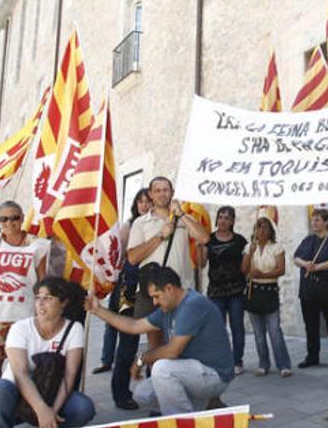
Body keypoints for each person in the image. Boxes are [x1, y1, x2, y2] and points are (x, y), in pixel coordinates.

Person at [85, 266, 234, 415]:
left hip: (216, 375)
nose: (154, 302)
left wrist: (142, 358)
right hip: (193, 372)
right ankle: (204, 407)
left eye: (156, 296)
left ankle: (183, 422)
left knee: (162, 369)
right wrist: (98, 310)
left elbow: (172, 351)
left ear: (169, 289)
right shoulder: (168, 307)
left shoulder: (192, 304)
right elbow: (134, 325)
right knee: (142, 394)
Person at [0, 277, 94, 428]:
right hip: (17, 392)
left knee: (84, 408)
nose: (40, 303)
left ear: (64, 302)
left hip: (51, 391)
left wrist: (52, 412)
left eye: (48, 298)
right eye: (37, 298)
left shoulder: (74, 329)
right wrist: (41, 409)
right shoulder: (20, 328)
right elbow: (20, 373)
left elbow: (69, 376)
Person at [0, 201, 50, 391]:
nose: (9, 222)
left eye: (14, 217)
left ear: (22, 218)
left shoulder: (37, 244)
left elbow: (42, 282)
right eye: (3, 219)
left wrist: (45, 312)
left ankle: (20, 407)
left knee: (22, 365)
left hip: (24, 314)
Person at [126, 176, 210, 351]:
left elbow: (203, 237)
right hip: (153, 290)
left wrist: (182, 215)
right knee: (155, 343)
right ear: (151, 194)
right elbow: (133, 257)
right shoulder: (141, 223)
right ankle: (156, 376)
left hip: (181, 290)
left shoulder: (184, 219)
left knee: (182, 343)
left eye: (166, 190)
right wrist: (160, 236)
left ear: (172, 193)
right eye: (157, 190)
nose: (162, 194)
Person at [92, 187, 151, 411]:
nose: (144, 205)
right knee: (128, 339)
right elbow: (120, 258)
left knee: (154, 335)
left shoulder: (156, 224)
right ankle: (121, 393)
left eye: (148, 202)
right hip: (128, 287)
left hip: (150, 285)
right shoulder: (129, 226)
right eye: (141, 201)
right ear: (135, 204)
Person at [293, 210, 328, 370]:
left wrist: (317, 267)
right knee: (310, 325)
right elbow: (296, 258)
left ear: (326, 222)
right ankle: (312, 356)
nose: (314, 222)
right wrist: (306, 264)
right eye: (313, 220)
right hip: (308, 289)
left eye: (317, 220)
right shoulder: (308, 239)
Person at [198, 206, 248, 376]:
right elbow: (202, 264)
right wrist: (199, 248)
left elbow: (245, 267)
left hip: (236, 290)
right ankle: (220, 359)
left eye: (227, 218)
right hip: (216, 291)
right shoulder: (208, 239)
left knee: (237, 327)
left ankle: (237, 360)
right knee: (217, 328)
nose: (223, 221)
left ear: (233, 221)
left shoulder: (240, 241)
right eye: (220, 217)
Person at [241, 215, 291, 377]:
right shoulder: (249, 247)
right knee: (258, 333)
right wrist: (250, 253)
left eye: (265, 228)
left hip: (270, 290)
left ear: (270, 231)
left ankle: (283, 364)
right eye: (259, 227)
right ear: (254, 230)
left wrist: (261, 275)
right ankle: (263, 363)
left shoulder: (276, 247)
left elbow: (280, 270)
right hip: (253, 291)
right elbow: (244, 270)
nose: (262, 231)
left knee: (275, 330)